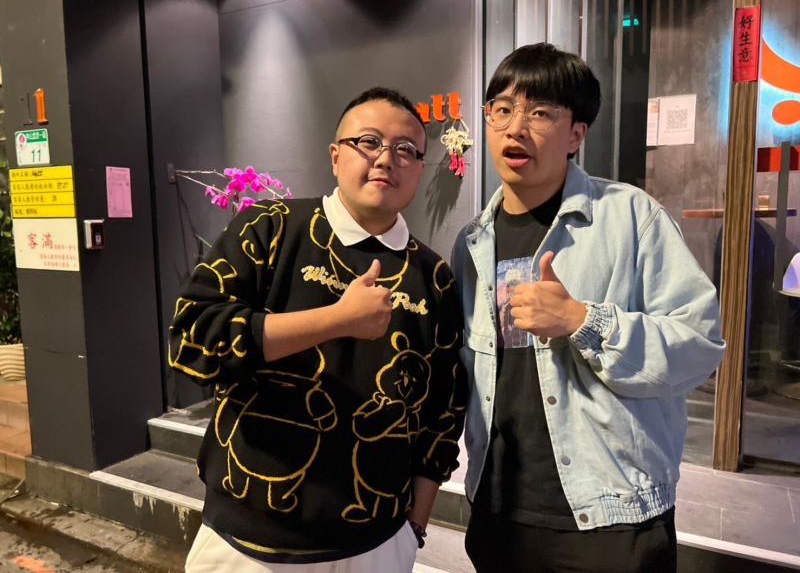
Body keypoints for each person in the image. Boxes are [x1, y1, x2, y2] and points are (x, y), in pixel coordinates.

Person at [451, 43, 726, 573]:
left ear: (576, 133)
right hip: (499, 508)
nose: (515, 128)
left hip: (611, 518)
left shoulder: (631, 217)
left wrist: (583, 321)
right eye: (502, 109)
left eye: (540, 113)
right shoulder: (472, 243)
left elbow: (699, 346)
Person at [170, 87, 467, 573]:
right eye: (368, 142)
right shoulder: (271, 228)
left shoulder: (433, 278)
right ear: (335, 155)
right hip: (244, 540)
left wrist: (414, 527)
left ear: (420, 166)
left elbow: (443, 413)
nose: (385, 159)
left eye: (405, 149)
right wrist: (336, 319)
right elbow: (192, 338)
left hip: (376, 544)